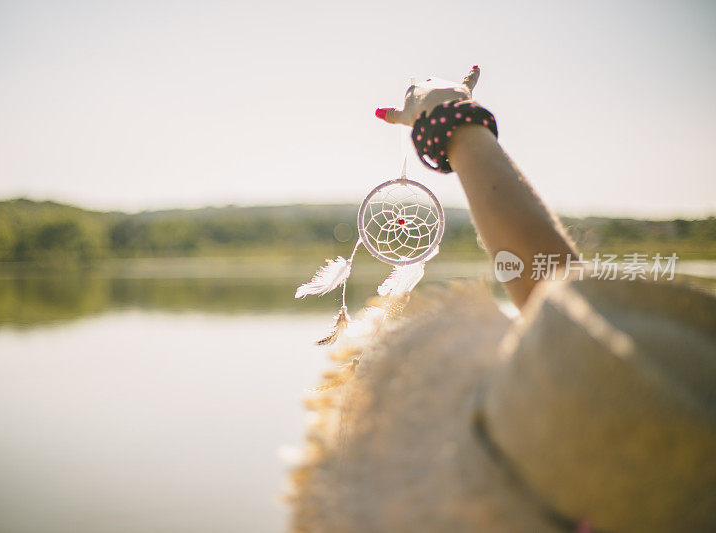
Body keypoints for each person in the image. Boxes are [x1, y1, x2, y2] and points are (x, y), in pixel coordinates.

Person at [288, 68, 716, 532]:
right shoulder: (664, 430)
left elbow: (566, 320)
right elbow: (575, 330)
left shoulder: (610, 403)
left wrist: (449, 121)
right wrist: (452, 120)